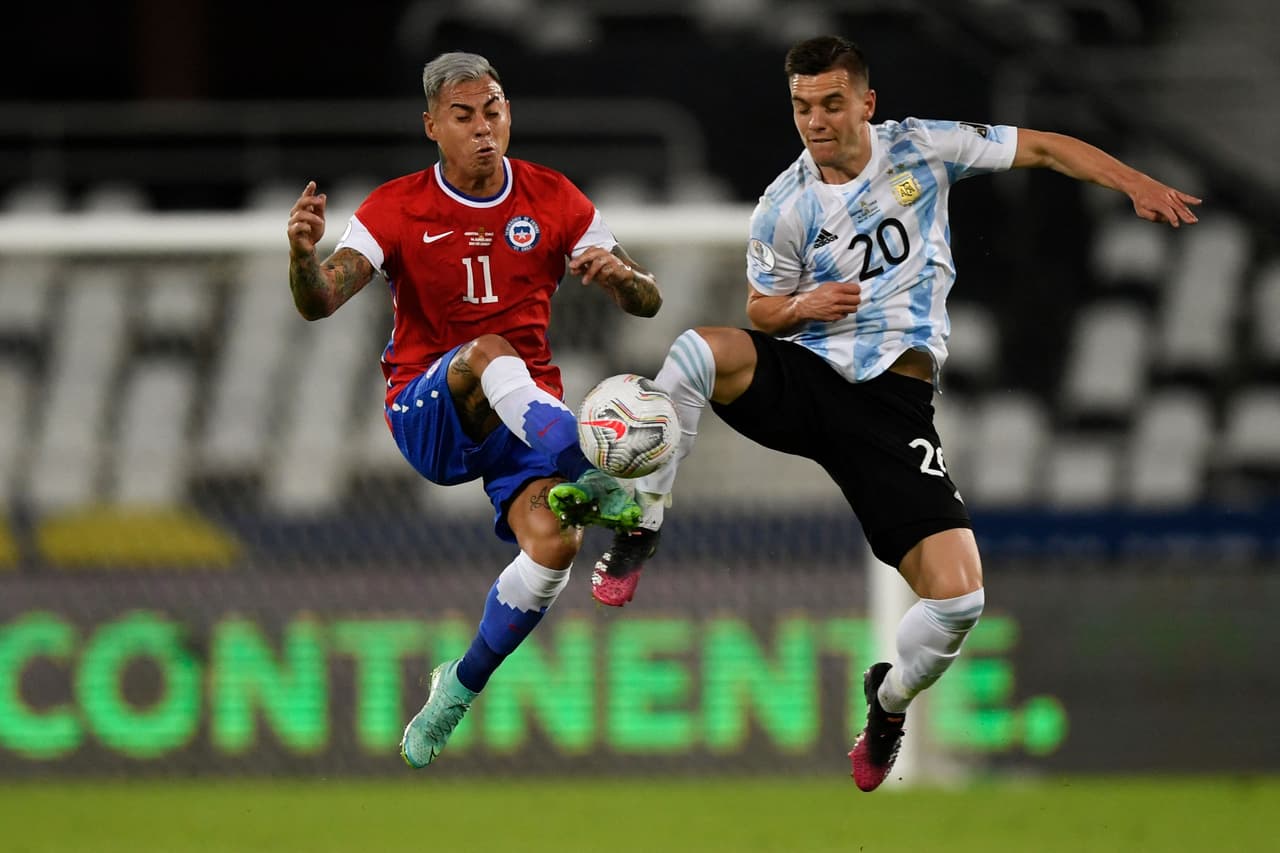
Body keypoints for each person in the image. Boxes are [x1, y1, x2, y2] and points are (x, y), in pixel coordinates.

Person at [588, 35, 1201, 791]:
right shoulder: (783, 205)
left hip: (890, 408)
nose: (816, 120)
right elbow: (760, 308)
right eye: (802, 106)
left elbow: (1040, 147)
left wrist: (1132, 181)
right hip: (808, 378)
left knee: (960, 600)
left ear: (866, 103)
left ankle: (886, 701)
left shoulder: (922, 148)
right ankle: (641, 524)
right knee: (694, 350)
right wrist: (804, 305)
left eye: (832, 103)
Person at [285, 51, 662, 769]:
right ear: (432, 125)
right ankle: (610, 482)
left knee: (554, 544)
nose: (484, 128)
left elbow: (650, 300)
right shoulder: (393, 208)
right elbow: (319, 300)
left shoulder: (553, 198)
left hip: (521, 421)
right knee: (486, 351)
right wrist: (303, 257)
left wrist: (625, 277)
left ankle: (452, 691)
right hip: (427, 408)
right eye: (465, 116)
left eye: (494, 110)